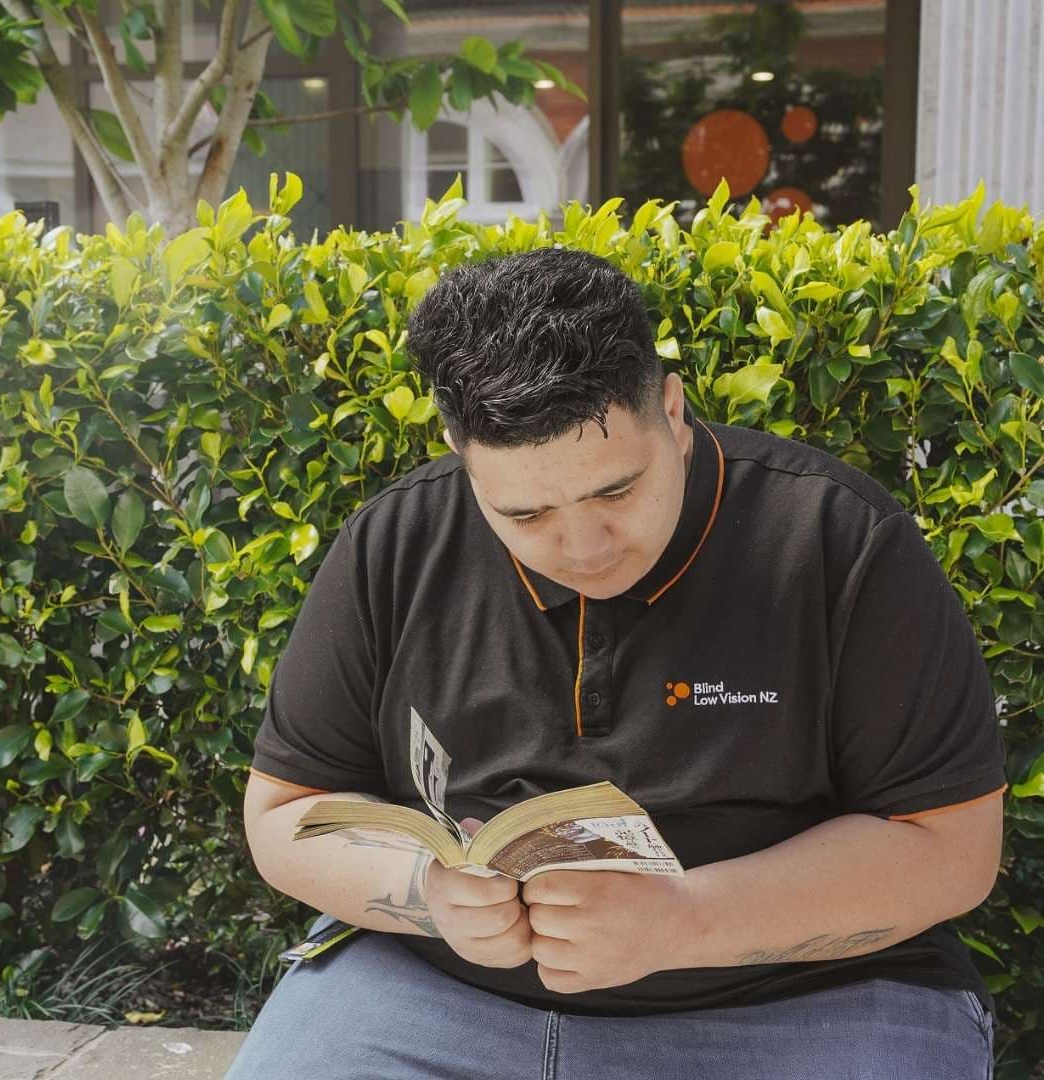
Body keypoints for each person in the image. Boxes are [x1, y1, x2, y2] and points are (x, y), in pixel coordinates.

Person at [225, 247, 1007, 1079]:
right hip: (434, 987)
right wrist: (429, 896)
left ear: (671, 408)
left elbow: (951, 848)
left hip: (803, 996)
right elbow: (284, 813)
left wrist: (684, 920)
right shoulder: (398, 541)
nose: (584, 547)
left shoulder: (836, 539)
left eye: (615, 491)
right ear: (459, 450)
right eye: (524, 512)